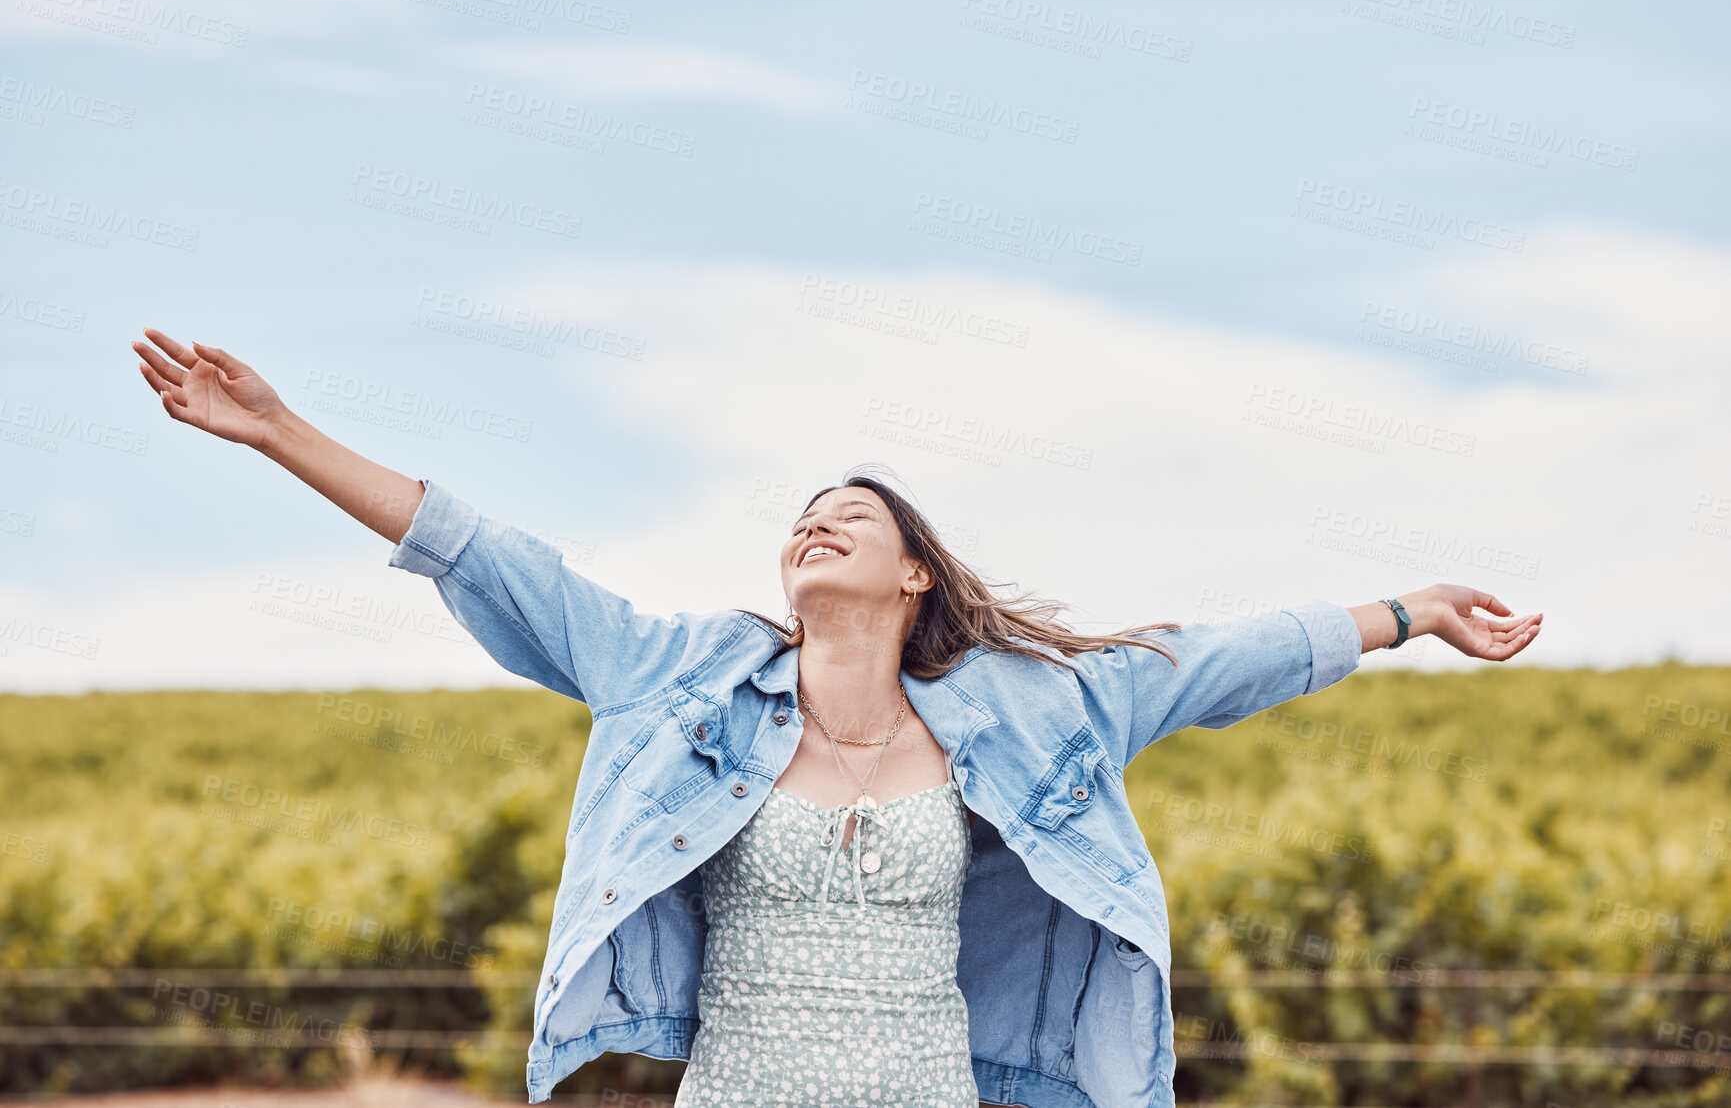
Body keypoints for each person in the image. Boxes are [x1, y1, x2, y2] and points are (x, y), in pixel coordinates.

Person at [130, 327, 1543, 1108]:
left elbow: (1211, 658)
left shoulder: (1034, 709)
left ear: (915, 571)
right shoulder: (679, 676)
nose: (818, 522)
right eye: (805, 517)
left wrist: (1408, 610)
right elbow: (495, 560)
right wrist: (283, 433)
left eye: (853, 515)